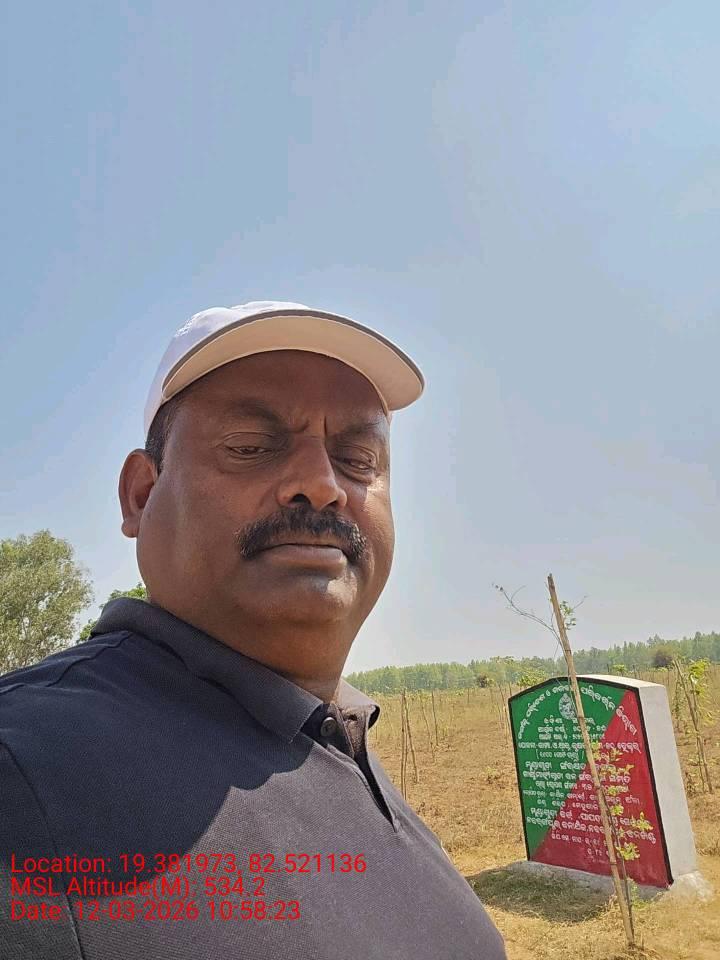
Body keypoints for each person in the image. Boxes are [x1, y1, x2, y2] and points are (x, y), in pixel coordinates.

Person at [0, 300, 506, 959]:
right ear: (141, 495)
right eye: (250, 447)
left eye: (359, 458)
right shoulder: (24, 777)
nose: (321, 485)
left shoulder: (336, 739)